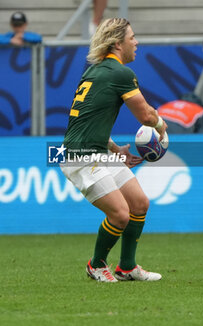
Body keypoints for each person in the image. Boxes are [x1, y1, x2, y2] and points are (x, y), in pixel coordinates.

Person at [61, 18, 167, 283]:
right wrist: (161, 124)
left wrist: (114, 148)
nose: (136, 42)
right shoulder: (120, 73)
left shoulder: (95, 71)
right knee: (119, 214)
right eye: (132, 37)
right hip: (81, 156)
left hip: (96, 151)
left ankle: (127, 267)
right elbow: (145, 115)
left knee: (139, 203)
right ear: (118, 43)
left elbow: (87, 120)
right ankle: (96, 265)